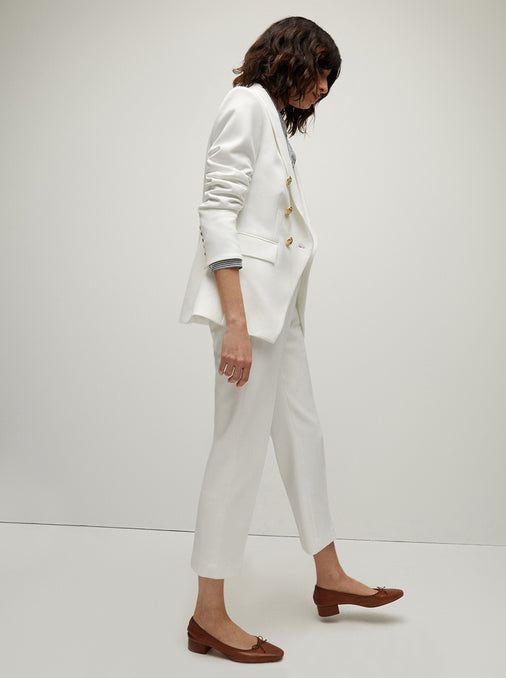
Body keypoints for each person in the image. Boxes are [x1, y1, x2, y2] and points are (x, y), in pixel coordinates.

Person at [179, 16, 404, 664]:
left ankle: (329, 576)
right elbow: (216, 213)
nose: (325, 88)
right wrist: (237, 325)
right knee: (237, 453)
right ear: (291, 57)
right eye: (322, 71)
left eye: (332, 78)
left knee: (303, 439)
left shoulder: (273, 119)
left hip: (281, 315)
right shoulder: (246, 105)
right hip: (249, 315)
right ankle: (208, 614)